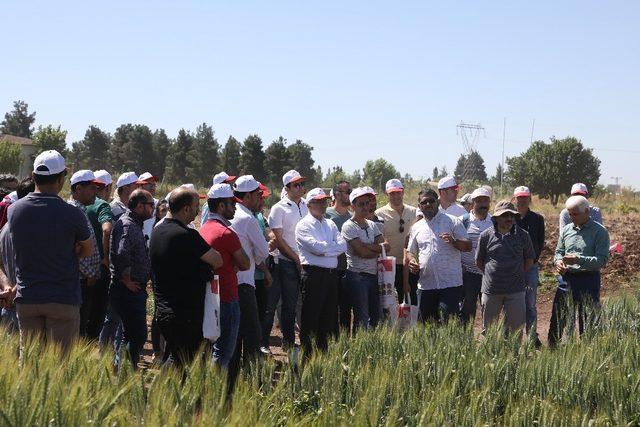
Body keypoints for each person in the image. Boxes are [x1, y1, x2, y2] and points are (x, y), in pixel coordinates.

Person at [2, 150, 93, 354]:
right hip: (62, 298)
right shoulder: (73, 214)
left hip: (27, 297)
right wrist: (68, 252)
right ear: (62, 179)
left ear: (33, 176)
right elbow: (87, 250)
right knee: (59, 367)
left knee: (31, 363)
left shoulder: (13, 210)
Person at [150, 187, 223, 369]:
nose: (198, 211)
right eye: (196, 206)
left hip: (164, 311)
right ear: (186, 209)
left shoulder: (157, 232)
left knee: (175, 358)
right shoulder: (187, 235)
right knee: (187, 365)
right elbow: (217, 260)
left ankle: (157, 395)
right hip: (185, 315)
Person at [199, 184, 250, 369]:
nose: (235, 207)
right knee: (223, 352)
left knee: (210, 349)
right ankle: (218, 393)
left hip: (210, 296)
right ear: (221, 206)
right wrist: (234, 263)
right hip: (227, 297)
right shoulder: (226, 233)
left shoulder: (204, 229)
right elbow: (245, 263)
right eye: (232, 203)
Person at [549, 195, 609, 347]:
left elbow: (601, 260)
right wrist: (558, 263)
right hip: (566, 279)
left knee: (587, 320)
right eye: (570, 213)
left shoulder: (600, 232)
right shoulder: (567, 230)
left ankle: (587, 350)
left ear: (587, 212)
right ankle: (552, 349)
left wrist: (579, 260)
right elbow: (558, 252)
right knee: (559, 316)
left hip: (588, 279)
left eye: (575, 214)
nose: (571, 217)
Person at [406, 189, 471, 323]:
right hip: (426, 284)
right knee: (427, 326)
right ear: (419, 206)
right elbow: (410, 251)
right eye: (424, 202)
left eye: (432, 201)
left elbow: (468, 246)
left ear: (438, 202)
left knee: (449, 326)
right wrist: (412, 260)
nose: (428, 204)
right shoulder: (416, 227)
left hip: (450, 284)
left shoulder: (453, 221)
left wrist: (454, 241)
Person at [296, 188, 347, 357]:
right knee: (311, 318)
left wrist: (325, 249)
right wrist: (329, 248)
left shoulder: (330, 224)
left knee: (328, 318)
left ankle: (324, 356)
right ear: (309, 204)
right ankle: (308, 358)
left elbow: (342, 246)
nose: (322, 205)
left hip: (331, 275)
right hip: (313, 275)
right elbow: (316, 249)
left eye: (324, 201)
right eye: (318, 201)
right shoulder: (303, 225)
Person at [109, 189, 155, 369]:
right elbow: (122, 252)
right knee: (138, 335)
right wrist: (127, 279)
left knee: (130, 334)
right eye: (150, 205)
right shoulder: (128, 225)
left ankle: (123, 370)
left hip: (131, 289)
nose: (153, 209)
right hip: (129, 290)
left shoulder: (133, 224)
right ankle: (126, 372)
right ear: (140, 206)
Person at [475, 200, 535, 335]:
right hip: (491, 290)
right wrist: (492, 275)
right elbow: (479, 261)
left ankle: (514, 356)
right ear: (496, 218)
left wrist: (516, 273)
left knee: (516, 330)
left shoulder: (523, 235)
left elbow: (529, 260)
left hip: (516, 290)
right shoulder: (485, 235)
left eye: (511, 215)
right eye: (505, 215)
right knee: (489, 330)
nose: (509, 219)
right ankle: (490, 355)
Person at [229, 176, 269, 372]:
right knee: (252, 335)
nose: (260, 198)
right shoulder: (248, 219)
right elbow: (263, 252)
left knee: (233, 336)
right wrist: (252, 254)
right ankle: (251, 381)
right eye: (258, 194)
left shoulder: (229, 214)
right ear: (248, 196)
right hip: (245, 284)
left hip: (229, 283)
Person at [266, 169, 308, 349]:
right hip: (287, 262)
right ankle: (289, 341)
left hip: (305, 261)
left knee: (304, 303)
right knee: (289, 304)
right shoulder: (278, 208)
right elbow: (279, 240)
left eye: (301, 184)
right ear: (287, 187)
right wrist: (296, 259)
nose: (300, 187)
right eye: (296, 184)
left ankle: (304, 339)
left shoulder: (306, 205)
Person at [342, 187, 388, 330]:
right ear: (352, 206)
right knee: (361, 316)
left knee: (376, 316)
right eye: (361, 204)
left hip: (373, 276)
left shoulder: (372, 224)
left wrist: (367, 246)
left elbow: (387, 246)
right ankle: (359, 348)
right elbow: (362, 252)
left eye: (367, 203)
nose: (366, 207)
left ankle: (371, 348)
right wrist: (376, 248)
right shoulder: (348, 226)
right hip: (357, 277)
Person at [68, 170, 103, 338]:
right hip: (80, 280)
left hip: (85, 279)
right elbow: (75, 249)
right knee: (77, 329)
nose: (95, 192)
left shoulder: (80, 209)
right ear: (79, 188)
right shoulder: (74, 211)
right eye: (92, 187)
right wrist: (91, 273)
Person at [0, 177, 34, 333]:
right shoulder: (29, 229)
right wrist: (12, 290)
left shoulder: (6, 227)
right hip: (24, 304)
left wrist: (7, 287)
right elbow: (32, 266)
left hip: (9, 302)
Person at [375, 179, 417, 303]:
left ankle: (410, 323)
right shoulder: (379, 214)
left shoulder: (414, 211)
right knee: (388, 302)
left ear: (403, 192)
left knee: (410, 299)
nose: (395, 196)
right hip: (388, 265)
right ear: (386, 194)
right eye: (392, 193)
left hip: (408, 264)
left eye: (398, 192)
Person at [513, 186, 545, 344]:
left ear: (529, 198)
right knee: (512, 302)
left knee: (530, 303)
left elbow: (540, 243)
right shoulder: (509, 217)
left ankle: (532, 337)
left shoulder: (537, 219)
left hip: (531, 267)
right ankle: (513, 337)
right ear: (515, 199)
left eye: (525, 197)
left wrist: (531, 261)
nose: (522, 200)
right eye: (519, 197)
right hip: (512, 267)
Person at [460, 187, 493, 324]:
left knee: (490, 309)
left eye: (486, 201)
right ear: (473, 202)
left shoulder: (494, 221)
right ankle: (466, 340)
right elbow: (455, 245)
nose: (483, 205)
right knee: (467, 309)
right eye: (479, 201)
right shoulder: (462, 221)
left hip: (489, 274)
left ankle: (489, 341)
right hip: (469, 274)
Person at [325, 180, 353, 332]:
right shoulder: (326, 215)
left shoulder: (352, 216)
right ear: (336, 194)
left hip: (347, 269)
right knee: (331, 309)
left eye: (350, 190)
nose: (350, 194)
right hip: (331, 269)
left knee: (346, 309)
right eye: (347, 191)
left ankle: (344, 343)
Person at [137, 172, 160, 246]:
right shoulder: (133, 204)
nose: (153, 187)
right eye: (150, 184)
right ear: (140, 186)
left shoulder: (158, 204)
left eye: (154, 185)